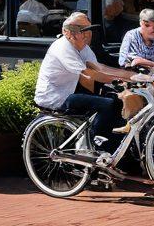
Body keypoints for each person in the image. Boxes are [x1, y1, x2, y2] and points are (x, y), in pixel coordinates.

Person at [34, 13, 143, 152]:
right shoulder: (62, 48)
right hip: (55, 97)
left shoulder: (82, 47)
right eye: (82, 31)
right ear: (68, 33)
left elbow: (100, 67)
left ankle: (113, 145)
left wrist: (133, 76)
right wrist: (122, 80)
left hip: (70, 91)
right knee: (106, 104)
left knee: (116, 101)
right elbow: (90, 74)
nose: (88, 35)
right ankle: (96, 145)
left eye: (88, 29)